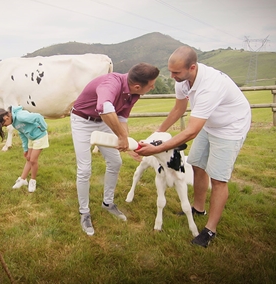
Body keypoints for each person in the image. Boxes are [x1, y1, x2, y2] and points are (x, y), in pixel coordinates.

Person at [135, 46, 251, 248]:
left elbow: (190, 132)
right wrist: (156, 135)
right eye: (170, 71)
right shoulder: (182, 80)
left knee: (218, 179)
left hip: (230, 127)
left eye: (176, 73)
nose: (172, 77)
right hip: (209, 123)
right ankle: (198, 208)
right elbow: (179, 109)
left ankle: (210, 230)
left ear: (192, 67)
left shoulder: (211, 86)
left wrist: (156, 149)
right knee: (197, 164)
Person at [71, 63, 160, 236]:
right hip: (82, 120)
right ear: (137, 86)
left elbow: (121, 118)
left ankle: (108, 203)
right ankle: (84, 212)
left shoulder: (134, 93)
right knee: (84, 169)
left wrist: (129, 145)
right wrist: (121, 137)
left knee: (115, 161)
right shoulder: (111, 83)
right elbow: (105, 108)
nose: (153, 87)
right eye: (151, 85)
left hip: (105, 122)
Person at [0, 106, 49, 193]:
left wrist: (44, 128)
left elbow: (38, 116)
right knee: (28, 158)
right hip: (31, 138)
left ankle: (33, 181)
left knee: (33, 160)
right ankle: (23, 179)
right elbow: (22, 134)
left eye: (4, 124)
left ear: (6, 118)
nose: (5, 126)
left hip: (39, 137)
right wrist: (25, 149)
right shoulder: (14, 122)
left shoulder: (20, 116)